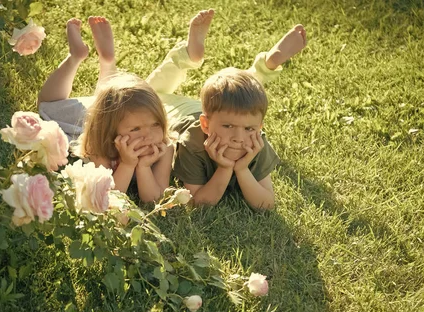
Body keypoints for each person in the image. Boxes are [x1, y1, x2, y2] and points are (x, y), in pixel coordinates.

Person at [37, 12, 215, 203]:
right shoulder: (101, 147)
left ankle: (107, 62)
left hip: (113, 115)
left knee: (110, 103)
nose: (147, 135)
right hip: (89, 119)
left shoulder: (164, 147)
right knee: (47, 105)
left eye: (155, 124)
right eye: (136, 129)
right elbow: (109, 194)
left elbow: (154, 199)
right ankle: (76, 56)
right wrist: (128, 165)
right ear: (111, 131)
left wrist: (144, 167)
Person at [170, 24, 307, 209]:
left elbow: (266, 205)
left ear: (260, 128)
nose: (238, 138)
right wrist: (225, 168)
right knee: (154, 90)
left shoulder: (256, 144)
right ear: (205, 125)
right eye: (228, 127)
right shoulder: (192, 144)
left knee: (240, 95)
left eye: (249, 128)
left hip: (215, 112)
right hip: (176, 112)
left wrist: (241, 169)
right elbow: (198, 204)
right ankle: (185, 55)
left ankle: (266, 65)